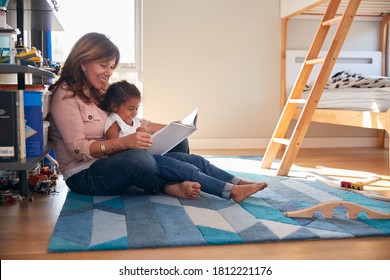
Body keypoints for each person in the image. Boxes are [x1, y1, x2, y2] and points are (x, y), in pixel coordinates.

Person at [48, 32, 191, 198]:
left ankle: (180, 176)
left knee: (179, 141)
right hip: (84, 173)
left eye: (111, 67)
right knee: (137, 160)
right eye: (103, 65)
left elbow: (133, 121)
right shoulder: (65, 95)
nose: (108, 73)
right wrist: (124, 143)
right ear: (83, 63)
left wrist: (172, 129)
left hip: (115, 159)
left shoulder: (101, 91)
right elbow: (78, 150)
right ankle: (167, 185)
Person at [101, 80, 268, 202]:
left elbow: (157, 128)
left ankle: (237, 181)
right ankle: (231, 191)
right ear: (115, 106)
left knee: (197, 161)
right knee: (188, 170)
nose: (134, 113)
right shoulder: (114, 120)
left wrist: (176, 126)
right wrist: (134, 142)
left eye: (137, 108)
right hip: (142, 161)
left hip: (152, 156)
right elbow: (113, 150)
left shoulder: (135, 121)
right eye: (130, 109)